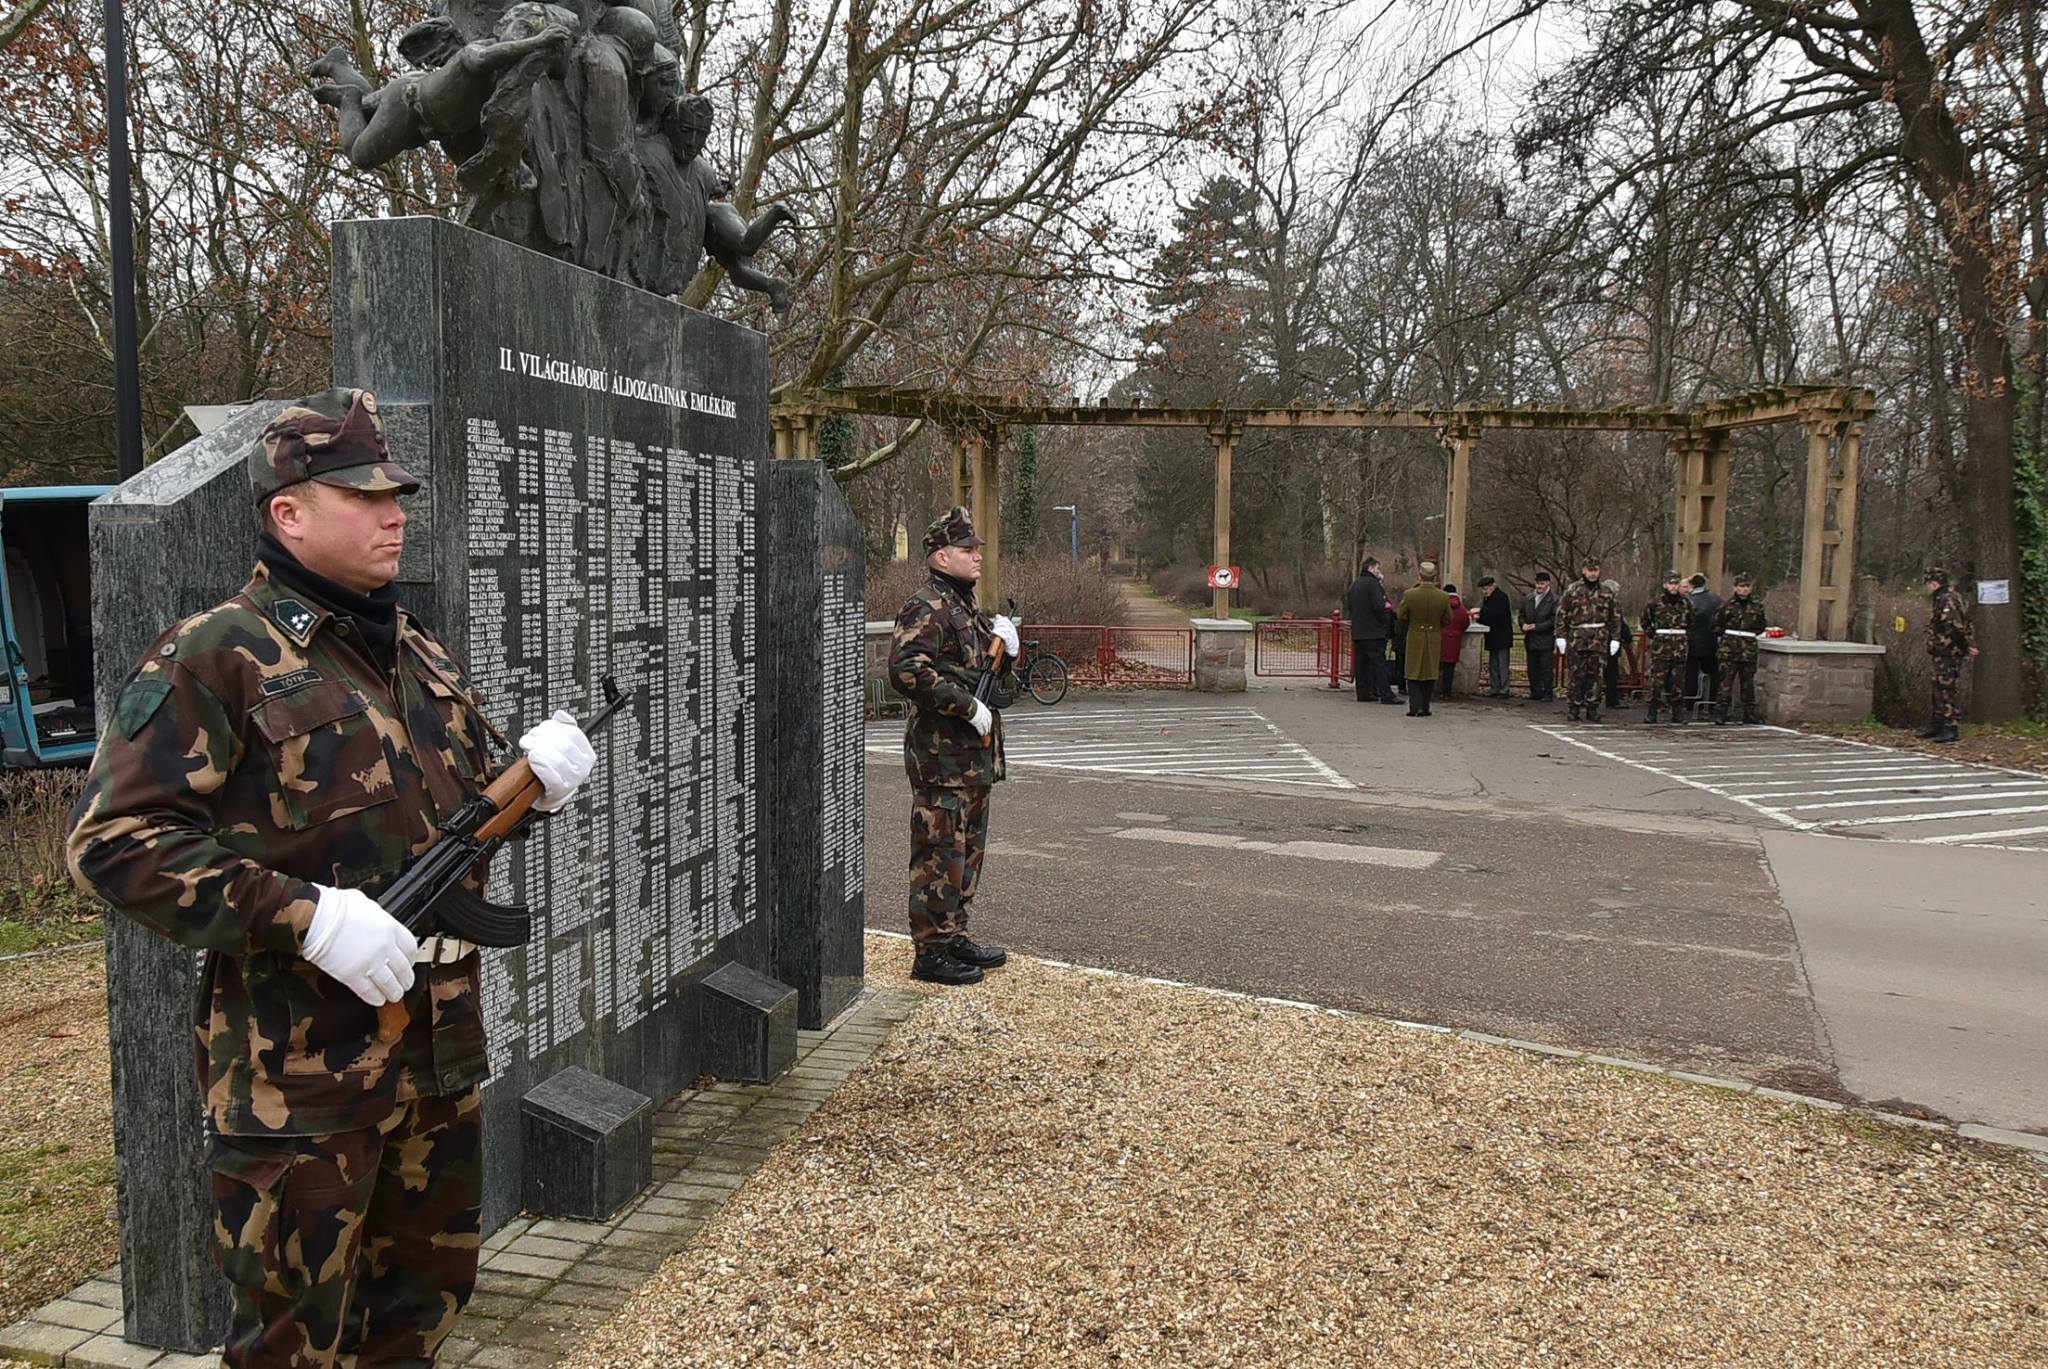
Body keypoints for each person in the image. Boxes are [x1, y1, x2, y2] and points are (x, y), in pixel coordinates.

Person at [65, 389, 598, 1368]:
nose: (393, 513)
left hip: (435, 1058)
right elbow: (114, 843)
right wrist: (307, 917)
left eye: (396, 494)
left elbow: (452, 825)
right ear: (289, 512)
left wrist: (535, 787)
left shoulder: (413, 649)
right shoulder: (216, 655)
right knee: (292, 1341)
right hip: (301, 1082)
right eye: (363, 495)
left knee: (418, 1319)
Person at [888, 506, 1021, 985]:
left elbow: (989, 677)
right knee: (939, 855)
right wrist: (965, 706)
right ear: (942, 556)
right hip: (941, 758)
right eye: (967, 549)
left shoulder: (965, 607)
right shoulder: (927, 605)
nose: (977, 556)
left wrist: (1008, 652)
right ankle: (930, 952)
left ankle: (953, 935)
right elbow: (906, 670)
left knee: (966, 854)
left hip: (972, 759)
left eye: (977, 548)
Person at [1554, 557, 1621, 722]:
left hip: (1599, 639)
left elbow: (1615, 617)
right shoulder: (1572, 590)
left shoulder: (1606, 591)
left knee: (1597, 676)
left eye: (1595, 570)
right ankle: (1574, 708)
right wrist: (1560, 636)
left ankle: (1593, 708)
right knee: (1576, 675)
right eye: (1590, 570)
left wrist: (1615, 638)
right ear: (1584, 571)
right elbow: (1562, 614)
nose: (1593, 573)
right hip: (1577, 639)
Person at [1921, 567, 1977, 743]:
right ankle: (1938, 723)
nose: (1927, 587)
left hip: (1949, 651)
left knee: (1946, 687)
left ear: (1934, 583)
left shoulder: (1948, 599)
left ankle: (1950, 726)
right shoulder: (1941, 598)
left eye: (1928, 583)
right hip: (1941, 650)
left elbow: (1955, 626)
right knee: (1937, 686)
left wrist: (1967, 645)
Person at [1711, 572, 1769, 724]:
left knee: (1748, 683)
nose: (1744, 589)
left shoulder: (1757, 606)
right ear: (1735, 588)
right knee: (1725, 683)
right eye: (1741, 586)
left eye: (1747, 586)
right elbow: (1716, 626)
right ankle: (1721, 713)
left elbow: (1761, 625)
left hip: (1748, 649)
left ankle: (1749, 713)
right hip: (1729, 649)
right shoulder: (1726, 606)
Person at [1397, 562, 1452, 716]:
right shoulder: (1443, 596)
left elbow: (1401, 615)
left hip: (1415, 635)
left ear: (1420, 576)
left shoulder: (1410, 594)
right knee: (1430, 672)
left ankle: (1415, 707)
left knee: (1413, 672)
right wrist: (1436, 626)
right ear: (1435, 577)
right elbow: (1448, 618)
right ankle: (1425, 707)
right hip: (1434, 636)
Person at [1345, 556, 1399, 704]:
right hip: (1374, 632)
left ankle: (1363, 693)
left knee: (1361, 664)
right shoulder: (1373, 584)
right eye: (1377, 568)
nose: (1379, 571)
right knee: (1378, 664)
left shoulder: (1355, 585)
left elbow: (1350, 606)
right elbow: (1379, 606)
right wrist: (1385, 622)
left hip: (1358, 631)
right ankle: (1386, 694)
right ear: (1371, 568)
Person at [1641, 571, 1693, 724]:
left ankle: (1678, 713)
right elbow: (1645, 621)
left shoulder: (1686, 603)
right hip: (1661, 648)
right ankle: (1652, 713)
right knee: (1657, 682)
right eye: (1671, 584)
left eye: (1676, 584)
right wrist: (1654, 634)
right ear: (1665, 585)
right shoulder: (1655, 603)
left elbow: (1691, 622)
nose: (1673, 587)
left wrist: (1684, 637)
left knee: (1678, 683)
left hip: (1679, 647)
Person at [1686, 572, 1722, 718]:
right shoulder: (1717, 600)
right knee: (1714, 674)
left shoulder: (1688, 601)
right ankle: (1712, 702)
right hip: (1712, 641)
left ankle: (1690, 702)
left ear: (1691, 585)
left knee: (1691, 673)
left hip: (1693, 642)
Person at [1520, 571, 1558, 701]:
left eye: (1542, 583)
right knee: (1532, 668)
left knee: (1546, 668)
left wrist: (1536, 626)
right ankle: (1535, 692)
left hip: (1545, 639)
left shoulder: (1554, 600)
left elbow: (1553, 620)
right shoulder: (1529, 598)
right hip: (1531, 639)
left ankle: (1547, 693)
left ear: (1548, 583)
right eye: (1537, 583)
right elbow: (1521, 615)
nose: (1539, 586)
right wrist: (1523, 624)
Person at [1474, 575, 1514, 697]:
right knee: (1494, 665)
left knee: (1502, 664)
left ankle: (1504, 689)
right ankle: (1495, 688)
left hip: (1501, 636)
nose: (1484, 591)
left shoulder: (1501, 597)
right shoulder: (1489, 598)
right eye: (1483, 589)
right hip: (1493, 636)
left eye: (1486, 589)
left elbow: (1495, 614)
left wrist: (1480, 615)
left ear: (1492, 586)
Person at [1601, 578, 1633, 709]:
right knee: (1612, 672)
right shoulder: (1613, 603)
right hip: (1610, 640)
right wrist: (1627, 636)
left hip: (1598, 640)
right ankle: (1612, 700)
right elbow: (1619, 622)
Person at [1439, 583, 1468, 699]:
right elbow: (1465, 623)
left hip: (1440, 639)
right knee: (1449, 668)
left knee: (1435, 667)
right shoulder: (1462, 608)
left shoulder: (1441, 605)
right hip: (1454, 641)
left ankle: (1432, 690)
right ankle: (1446, 692)